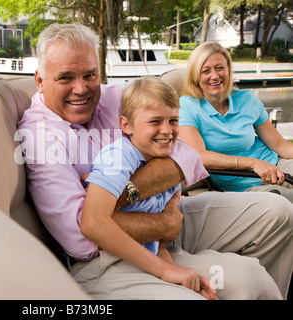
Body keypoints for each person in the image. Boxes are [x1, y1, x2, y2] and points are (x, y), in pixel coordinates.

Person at [17, 23, 292, 299]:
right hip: (111, 255)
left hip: (167, 215)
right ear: (40, 80)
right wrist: (161, 224)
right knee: (249, 281)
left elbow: (185, 156)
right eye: (65, 78)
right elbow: (82, 235)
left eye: (90, 75)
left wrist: (110, 193)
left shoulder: (116, 99)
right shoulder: (40, 137)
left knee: (278, 213)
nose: (81, 88)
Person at [81, 76, 217, 300]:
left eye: (173, 120)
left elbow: (155, 243)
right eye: (155, 122)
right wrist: (165, 270)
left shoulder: (165, 166)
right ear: (126, 125)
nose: (167, 130)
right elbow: (92, 222)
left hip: (141, 261)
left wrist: (179, 278)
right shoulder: (119, 156)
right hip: (107, 263)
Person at [179, 41, 293, 202]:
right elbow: (199, 155)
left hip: (276, 163)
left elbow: (279, 144)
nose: (215, 76)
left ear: (228, 70)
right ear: (196, 76)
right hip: (243, 183)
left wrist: (262, 163)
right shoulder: (188, 106)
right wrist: (252, 163)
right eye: (206, 71)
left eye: (220, 68)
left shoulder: (247, 99)